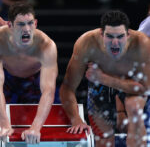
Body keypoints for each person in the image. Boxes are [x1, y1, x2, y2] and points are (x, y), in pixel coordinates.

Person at [60, 10, 150, 147]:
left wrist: (103, 78)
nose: (115, 43)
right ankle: (118, 118)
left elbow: (145, 88)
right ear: (101, 34)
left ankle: (122, 116)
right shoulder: (86, 43)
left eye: (120, 37)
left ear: (128, 34)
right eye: (109, 36)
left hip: (130, 87)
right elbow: (67, 88)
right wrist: (76, 119)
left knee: (135, 109)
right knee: (104, 138)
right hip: (100, 89)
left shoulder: (142, 44)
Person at [0, 2, 58, 144]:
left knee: (39, 131)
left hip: (33, 82)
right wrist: (4, 124)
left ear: (36, 23)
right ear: (10, 25)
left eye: (30, 23)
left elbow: (48, 90)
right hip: (7, 78)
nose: (26, 29)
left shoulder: (46, 46)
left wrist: (35, 128)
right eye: (20, 24)